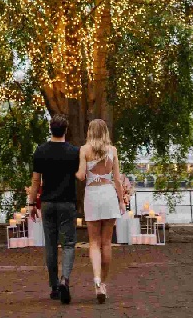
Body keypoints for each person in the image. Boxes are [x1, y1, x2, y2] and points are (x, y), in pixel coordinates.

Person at [28, 114, 79, 304]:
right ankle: (65, 280)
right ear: (66, 130)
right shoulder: (75, 152)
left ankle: (54, 286)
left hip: (48, 203)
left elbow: (35, 181)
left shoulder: (40, 151)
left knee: (50, 245)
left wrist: (32, 203)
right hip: (67, 203)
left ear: (51, 129)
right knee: (68, 244)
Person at [76, 118, 129, 303]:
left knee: (93, 242)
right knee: (106, 242)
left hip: (92, 196)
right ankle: (102, 283)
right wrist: (122, 202)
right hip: (108, 196)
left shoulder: (84, 150)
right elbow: (117, 180)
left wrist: (74, 172)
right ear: (105, 131)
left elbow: (82, 176)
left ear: (90, 131)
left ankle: (97, 280)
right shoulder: (112, 150)